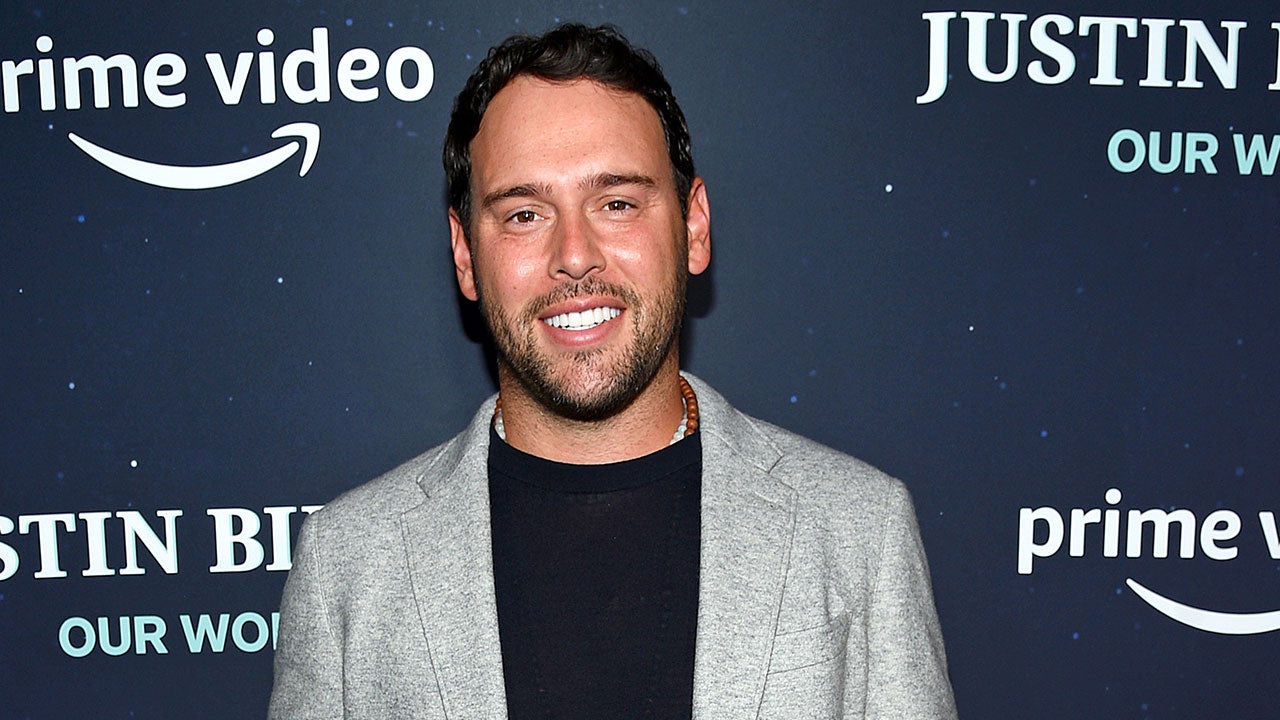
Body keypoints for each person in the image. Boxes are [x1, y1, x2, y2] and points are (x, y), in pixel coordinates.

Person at [269, 23, 956, 720]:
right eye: (525, 214)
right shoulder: (349, 564)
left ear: (693, 228)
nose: (575, 254)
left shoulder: (857, 529)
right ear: (465, 254)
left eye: (617, 203)